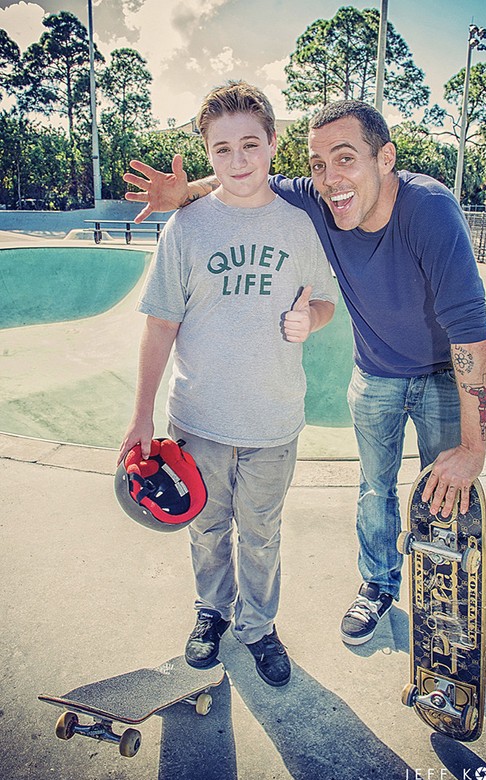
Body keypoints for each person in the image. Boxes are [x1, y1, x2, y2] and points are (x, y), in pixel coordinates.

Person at [123, 98, 486, 648]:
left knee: (445, 489)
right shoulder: (311, 201)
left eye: (345, 159)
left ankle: (448, 591)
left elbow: (469, 329)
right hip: (364, 378)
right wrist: (185, 194)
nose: (330, 179)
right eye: (318, 164)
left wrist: (473, 446)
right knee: (372, 491)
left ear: (385, 157)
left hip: (439, 376)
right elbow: (238, 175)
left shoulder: (425, 209)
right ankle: (375, 584)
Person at [118, 81, 336, 685]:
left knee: (261, 535)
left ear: (272, 143)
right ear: (208, 156)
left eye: (249, 145)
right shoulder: (185, 229)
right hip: (199, 421)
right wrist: (141, 415)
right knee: (208, 529)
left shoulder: (298, 226)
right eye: (222, 150)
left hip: (273, 423)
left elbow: (324, 303)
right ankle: (211, 612)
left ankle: (258, 626)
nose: (238, 162)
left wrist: (308, 320)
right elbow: (160, 324)